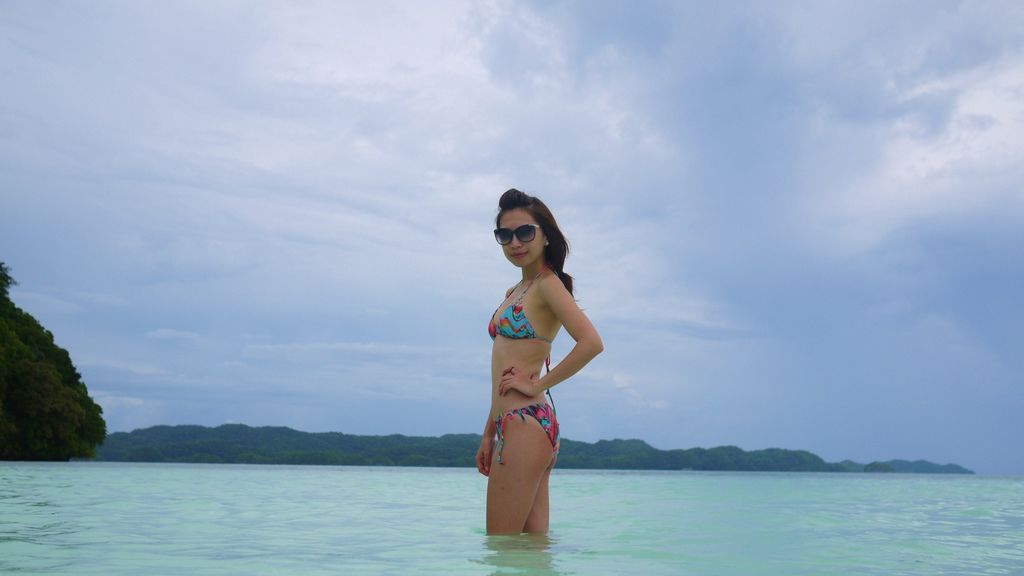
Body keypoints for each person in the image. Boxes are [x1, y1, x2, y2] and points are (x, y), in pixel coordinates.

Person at [476, 188, 604, 534]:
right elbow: (503, 371)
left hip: (524, 424)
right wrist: (488, 433)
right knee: (531, 551)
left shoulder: (548, 285)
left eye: (525, 232)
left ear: (546, 235)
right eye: (505, 235)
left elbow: (591, 343)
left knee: (502, 547)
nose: (515, 242)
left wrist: (537, 385)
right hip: (517, 424)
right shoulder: (515, 291)